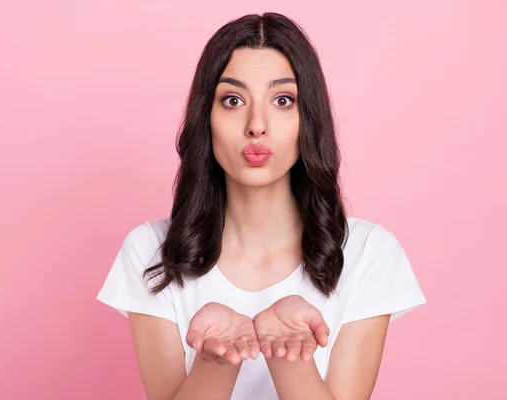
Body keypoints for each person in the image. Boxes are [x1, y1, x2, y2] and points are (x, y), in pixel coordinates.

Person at [97, 12, 426, 400]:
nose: (257, 124)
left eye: (282, 100)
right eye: (233, 100)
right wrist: (216, 360)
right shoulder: (151, 251)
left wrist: (290, 357)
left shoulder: (368, 253)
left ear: (309, 120)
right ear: (207, 118)